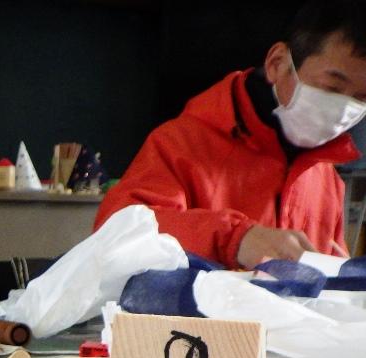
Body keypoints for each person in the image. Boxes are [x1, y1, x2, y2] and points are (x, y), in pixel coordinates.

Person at [94, 1, 366, 269]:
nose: (344, 109)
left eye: (361, 98)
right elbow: (114, 233)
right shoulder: (181, 144)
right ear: (277, 64)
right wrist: (235, 238)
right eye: (331, 88)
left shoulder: (325, 178)